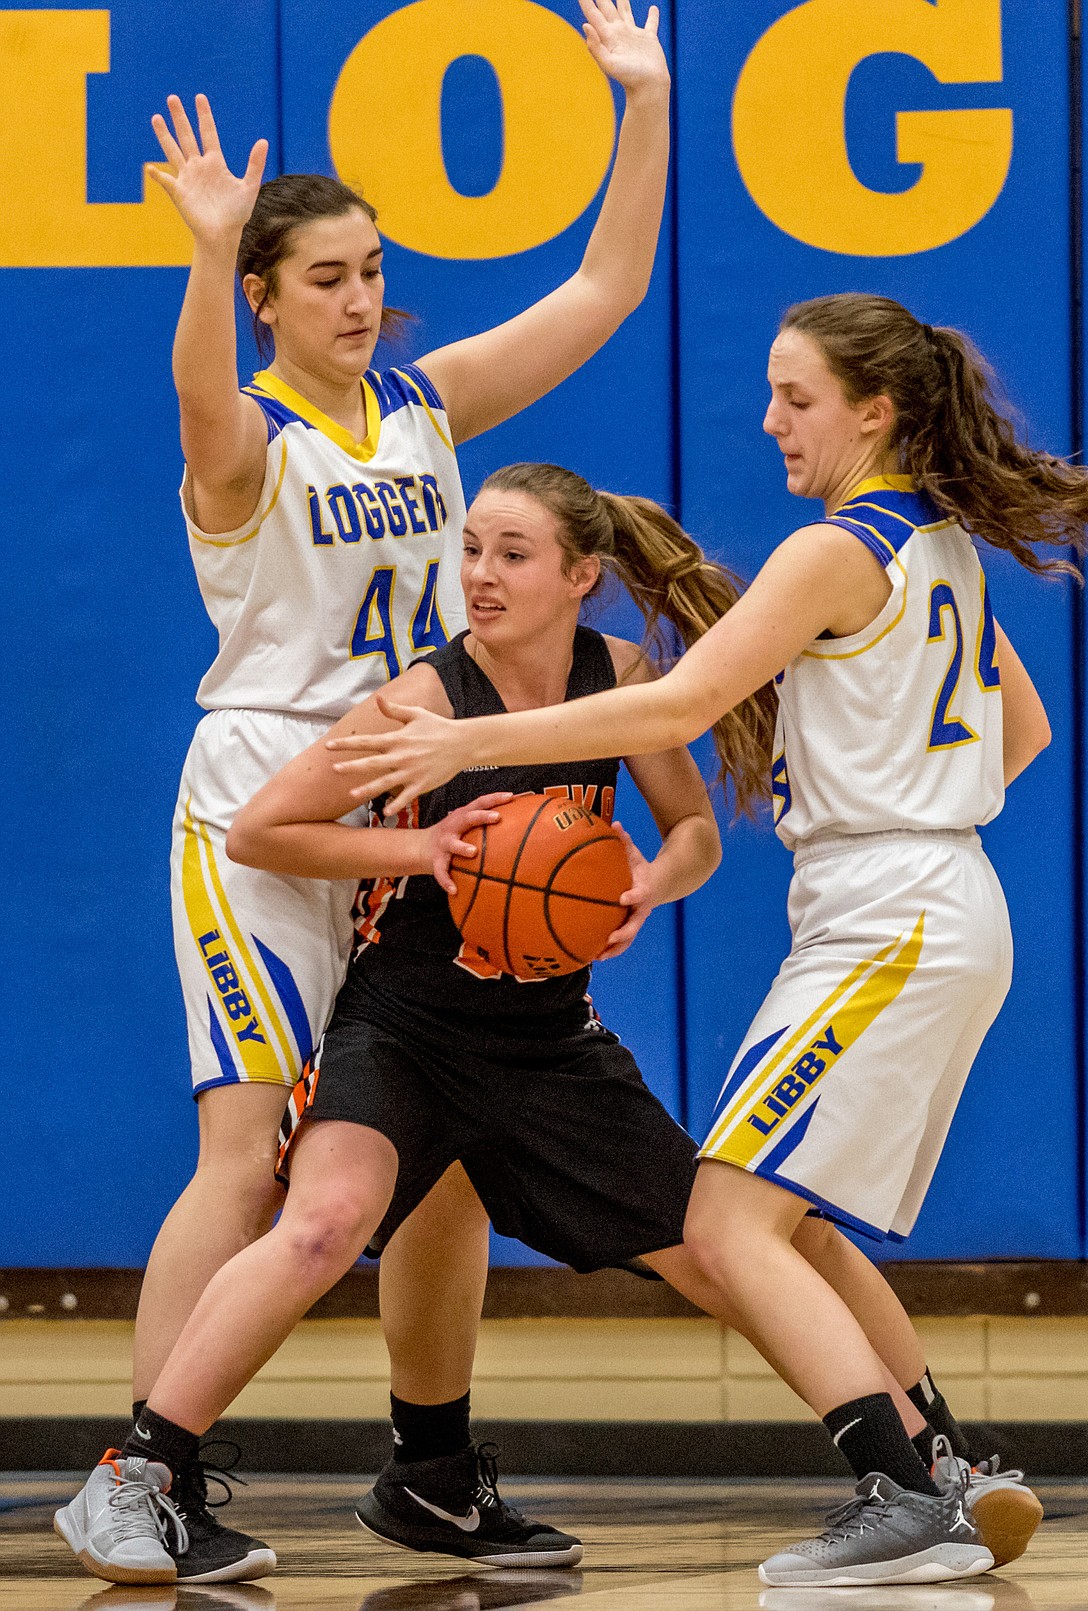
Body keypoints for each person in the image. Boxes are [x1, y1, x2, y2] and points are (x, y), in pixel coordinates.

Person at [322, 295, 1088, 1587]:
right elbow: (1019, 735)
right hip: (932, 895)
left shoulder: (834, 549)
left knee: (728, 1216)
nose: (768, 420)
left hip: (886, 911)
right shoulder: (941, 547)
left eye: (794, 398)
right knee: (794, 1222)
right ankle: (948, 1470)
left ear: (873, 410)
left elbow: (686, 695)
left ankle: (896, 1491)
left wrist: (463, 739)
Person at [75, 0, 673, 1585]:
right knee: (252, 1149)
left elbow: (608, 287)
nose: (362, 297)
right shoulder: (248, 443)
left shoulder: (419, 408)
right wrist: (208, 253)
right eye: (326, 276)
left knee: (447, 1143)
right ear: (269, 296)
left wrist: (646, 104)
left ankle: (431, 1468)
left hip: (416, 792)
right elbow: (199, 394)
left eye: (371, 271)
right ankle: (149, 1470)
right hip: (267, 801)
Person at [57, 463, 764, 1581]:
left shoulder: (617, 677)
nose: (478, 574)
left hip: (542, 1038)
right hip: (406, 1018)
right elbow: (260, 831)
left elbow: (694, 833)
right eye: (470, 548)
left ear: (582, 576)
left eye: (511, 555)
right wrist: (419, 847)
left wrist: (647, 887)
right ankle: (133, 1479)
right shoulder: (423, 700)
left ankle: (911, 1471)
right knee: (324, 1219)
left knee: (722, 1247)